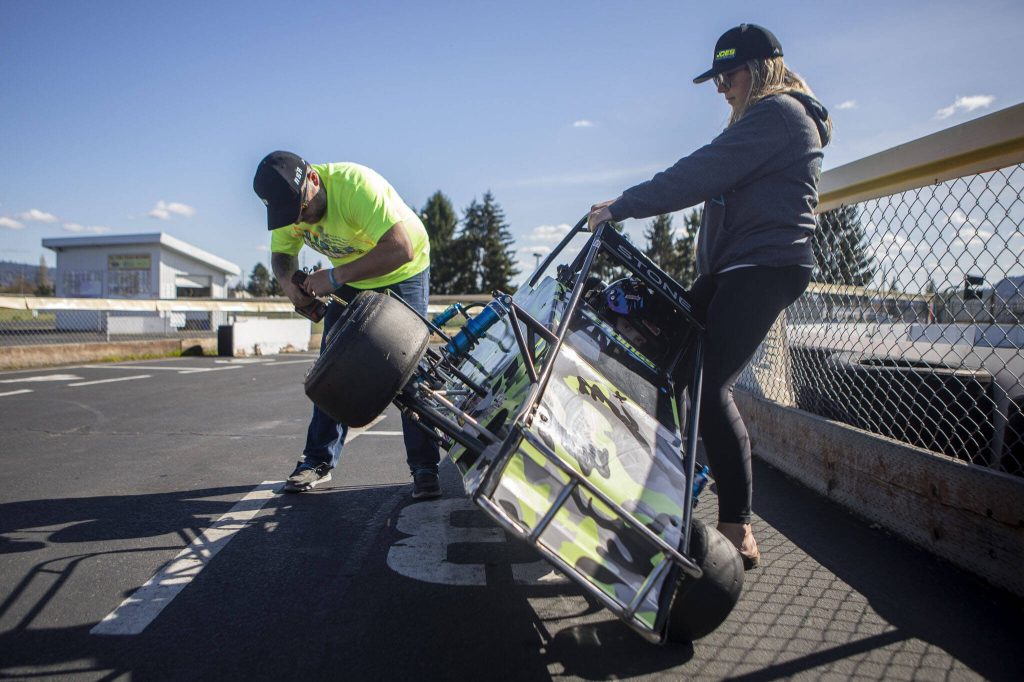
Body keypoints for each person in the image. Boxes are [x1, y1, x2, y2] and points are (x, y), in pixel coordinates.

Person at [587, 24, 832, 568]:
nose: (722, 87)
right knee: (672, 363)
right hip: (733, 269)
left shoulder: (782, 115)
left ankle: (737, 527)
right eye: (716, 79)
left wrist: (624, 204)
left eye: (729, 74)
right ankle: (664, 495)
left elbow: (699, 171)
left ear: (763, 67)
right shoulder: (758, 120)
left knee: (705, 379)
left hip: (765, 266)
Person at [253, 151, 441, 498]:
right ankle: (317, 460)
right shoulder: (290, 209)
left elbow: (401, 248)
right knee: (333, 369)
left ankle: (425, 466)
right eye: (292, 216)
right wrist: (292, 289)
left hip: (401, 270)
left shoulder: (356, 187)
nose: (301, 220)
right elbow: (282, 255)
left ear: (312, 180)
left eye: (303, 209)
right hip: (350, 277)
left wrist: (335, 277)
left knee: (408, 368)